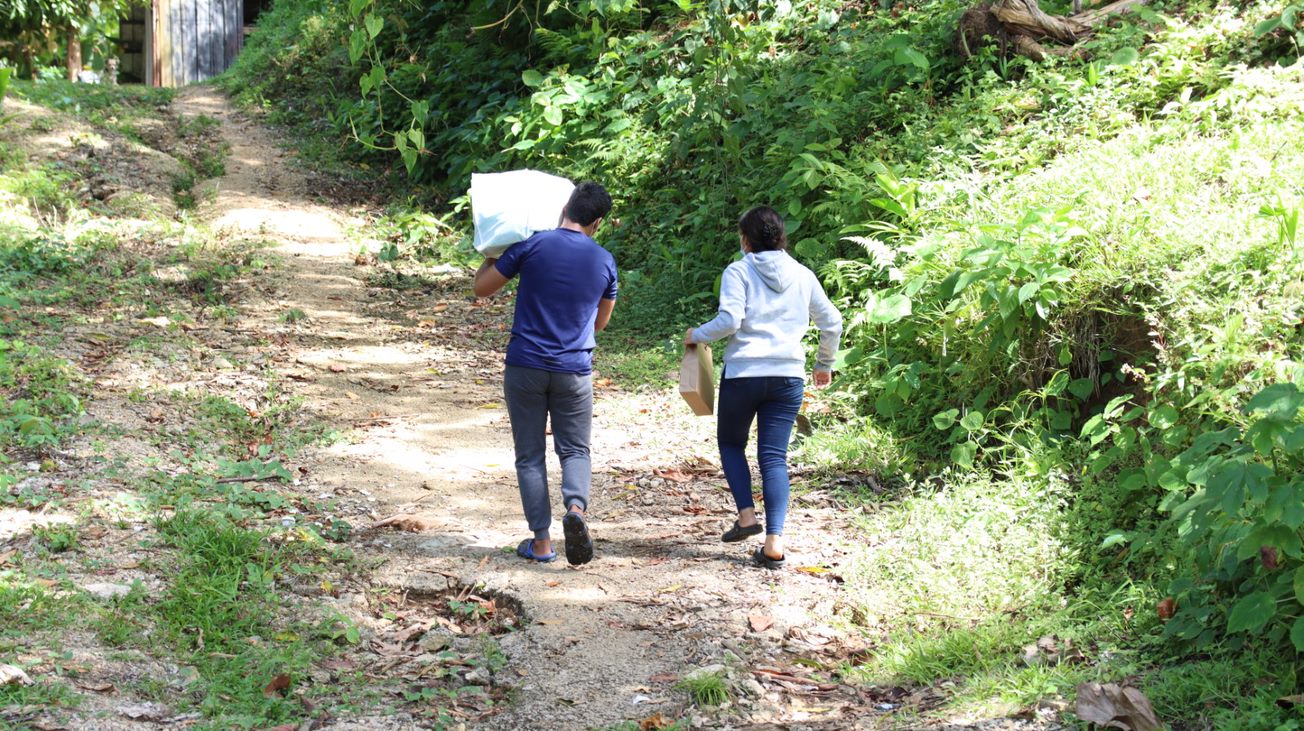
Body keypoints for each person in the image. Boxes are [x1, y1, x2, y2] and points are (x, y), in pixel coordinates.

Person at [684, 206, 842, 570]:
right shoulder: (803, 275)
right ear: (781, 237)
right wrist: (824, 364)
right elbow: (832, 322)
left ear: (745, 240)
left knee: (731, 444)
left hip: (744, 373)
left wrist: (697, 335)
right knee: (773, 457)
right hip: (788, 377)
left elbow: (730, 320)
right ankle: (774, 543)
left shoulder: (738, 271)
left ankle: (746, 517)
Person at [473, 182, 616, 566]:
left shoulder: (531, 245)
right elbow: (600, 324)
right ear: (597, 223)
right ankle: (576, 510)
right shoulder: (604, 261)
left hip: (526, 367)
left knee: (530, 455)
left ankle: (541, 543)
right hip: (574, 371)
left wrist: (493, 252)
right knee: (575, 450)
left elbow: (482, 288)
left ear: (564, 208)